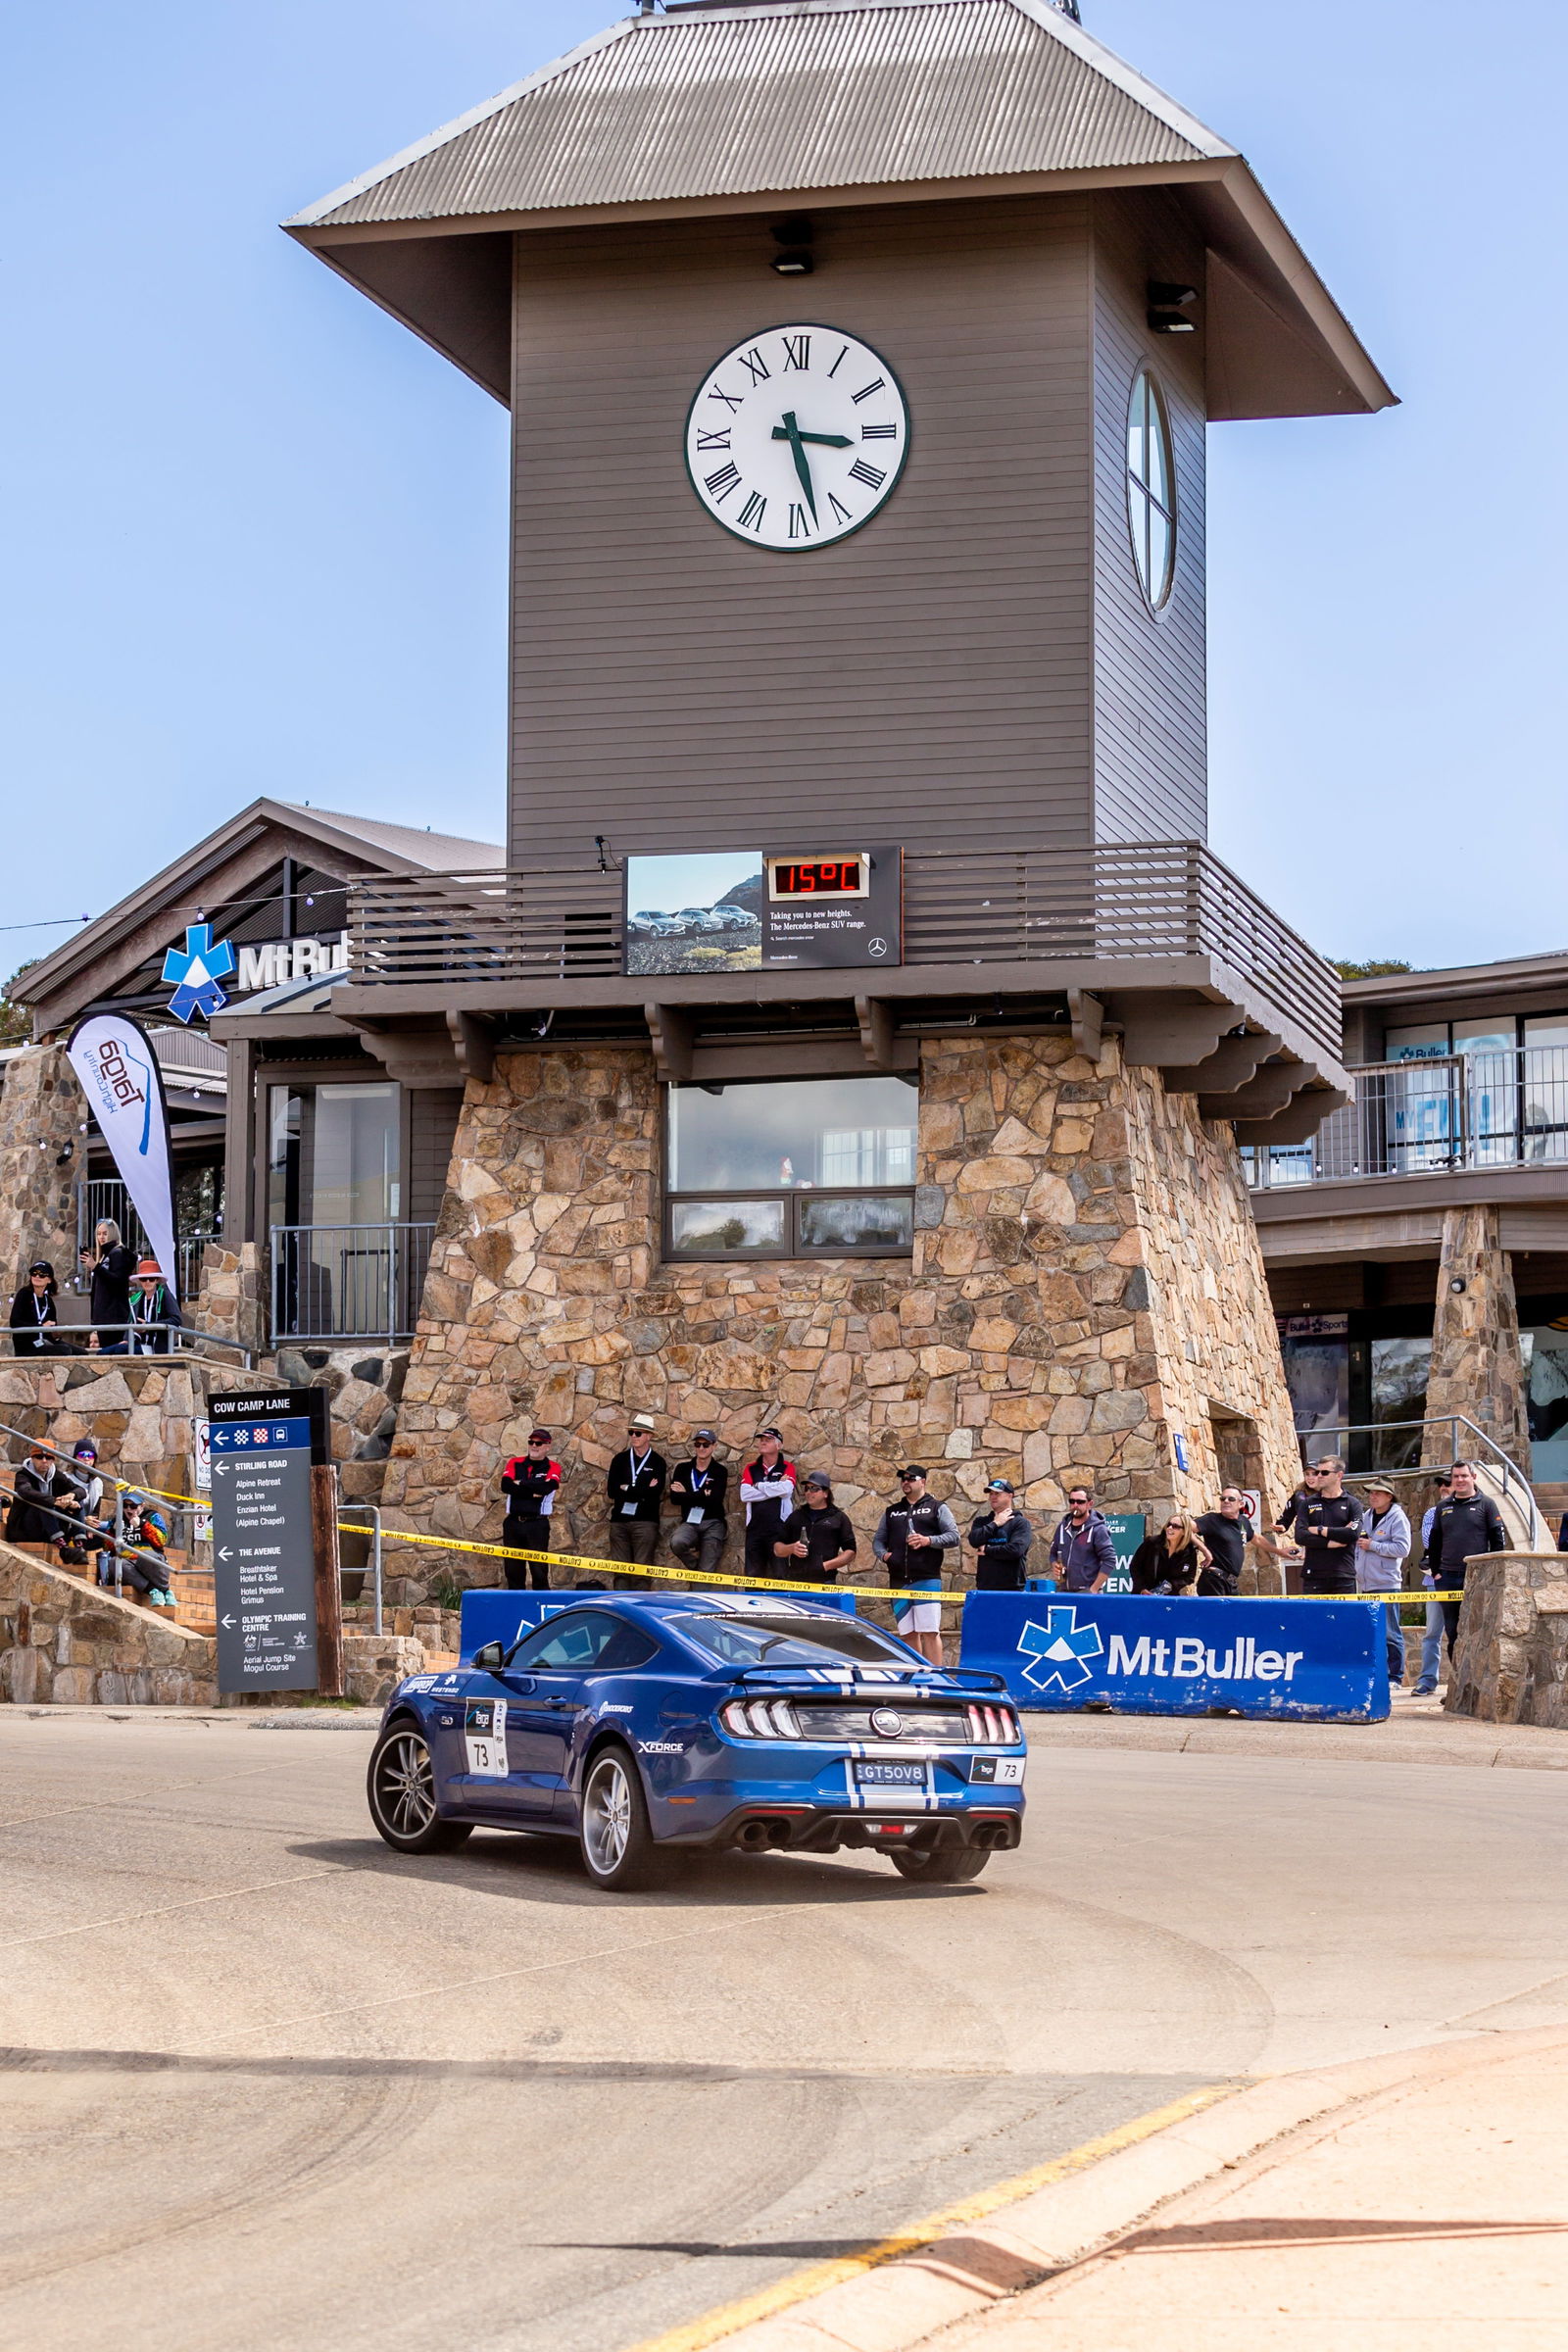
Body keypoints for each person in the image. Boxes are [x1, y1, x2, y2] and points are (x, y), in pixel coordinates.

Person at [873, 1466, 960, 1666]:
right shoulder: (892, 1511)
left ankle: (937, 1677)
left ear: (923, 1482)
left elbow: (954, 1536)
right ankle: (916, 1676)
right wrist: (884, 1556)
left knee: (930, 1632)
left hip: (926, 1579)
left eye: (911, 1478)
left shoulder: (937, 1507)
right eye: (903, 1479)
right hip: (898, 1581)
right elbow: (878, 1540)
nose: (905, 1482)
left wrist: (928, 1540)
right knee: (908, 1634)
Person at [1424, 1460, 1507, 1663]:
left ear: (1473, 1477)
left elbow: (1497, 1541)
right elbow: (1434, 1542)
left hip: (1477, 1576)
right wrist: (1436, 1572)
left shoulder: (1487, 1504)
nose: (1460, 1480)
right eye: (1456, 1476)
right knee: (1453, 1631)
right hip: (1447, 1578)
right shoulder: (1442, 1507)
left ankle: (1477, 1674)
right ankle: (1457, 1677)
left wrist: (1491, 1572)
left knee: (1478, 1628)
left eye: (1464, 1476)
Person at [1358, 1477, 1412, 1688]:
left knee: (1390, 1632)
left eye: (1377, 1493)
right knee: (1371, 1632)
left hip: (1387, 1583)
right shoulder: (1366, 1516)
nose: (1372, 1496)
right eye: (1371, 1492)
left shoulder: (1398, 1517)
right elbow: (1358, 1544)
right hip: (1365, 1584)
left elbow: (1403, 1549)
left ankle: (1395, 1677)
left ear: (1389, 1497)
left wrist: (1374, 1545)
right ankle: (1377, 1674)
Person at [606, 1420, 666, 1586]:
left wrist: (627, 1488)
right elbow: (612, 1491)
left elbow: (655, 1493)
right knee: (620, 1572)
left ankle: (640, 1601)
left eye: (638, 1433)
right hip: (619, 1520)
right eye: (631, 1432)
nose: (633, 1436)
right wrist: (643, 1489)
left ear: (649, 1436)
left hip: (645, 1521)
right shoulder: (620, 1459)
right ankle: (621, 1602)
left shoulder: (658, 1462)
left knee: (642, 1572)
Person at [499, 1429, 563, 1590]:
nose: (534, 1446)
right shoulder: (515, 1462)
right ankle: (516, 1603)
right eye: (531, 1442)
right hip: (513, 1523)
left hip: (537, 1524)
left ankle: (540, 1603)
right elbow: (506, 1486)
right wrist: (531, 1492)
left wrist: (520, 1483)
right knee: (513, 1571)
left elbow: (547, 1488)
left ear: (547, 1446)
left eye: (538, 1443)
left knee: (539, 1571)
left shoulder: (553, 1466)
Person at [1411, 1471, 1454, 1695]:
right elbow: (1430, 1541)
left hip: (1462, 1579)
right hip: (1434, 1581)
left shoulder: (1476, 1508)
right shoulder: (1432, 1513)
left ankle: (1460, 1683)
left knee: (1461, 1634)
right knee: (1432, 1634)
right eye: (1441, 1484)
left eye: (1448, 1483)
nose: (1444, 1487)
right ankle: (1427, 1681)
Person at [1294, 1456, 1363, 1595]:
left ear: (1339, 1475)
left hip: (1343, 1575)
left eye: (1324, 1473)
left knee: (1345, 1612)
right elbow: (1300, 1536)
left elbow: (1352, 1534)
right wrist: (1330, 1543)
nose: (1319, 1476)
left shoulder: (1352, 1503)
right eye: (1317, 1472)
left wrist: (1320, 1530)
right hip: (1314, 1576)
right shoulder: (1307, 1503)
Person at [667, 1429, 730, 1582]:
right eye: (697, 1444)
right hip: (690, 1521)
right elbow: (675, 1498)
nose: (701, 1448)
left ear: (714, 1446)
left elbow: (715, 1499)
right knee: (677, 1542)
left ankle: (702, 1575)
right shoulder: (682, 1469)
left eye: (706, 1444)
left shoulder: (720, 1471)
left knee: (706, 1573)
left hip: (713, 1522)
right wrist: (703, 1494)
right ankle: (695, 1566)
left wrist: (686, 1493)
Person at [773, 1473, 858, 1583]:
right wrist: (792, 1548)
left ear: (826, 1493)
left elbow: (851, 1552)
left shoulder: (838, 1518)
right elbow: (777, 1549)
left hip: (825, 1582)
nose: (809, 1492)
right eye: (807, 1488)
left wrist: (825, 1566)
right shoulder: (796, 1516)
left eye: (814, 1488)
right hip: (795, 1582)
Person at [739, 1428, 797, 1581]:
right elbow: (745, 1494)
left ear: (779, 1445)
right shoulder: (751, 1468)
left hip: (779, 1529)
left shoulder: (787, 1467)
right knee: (752, 1577)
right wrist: (775, 1488)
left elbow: (786, 1490)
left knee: (780, 1575)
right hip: (754, 1529)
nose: (763, 1442)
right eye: (761, 1439)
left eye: (768, 1440)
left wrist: (759, 1486)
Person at [110, 1492, 177, 1607]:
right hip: (129, 1561)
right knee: (114, 1562)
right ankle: (153, 1591)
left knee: (146, 1555)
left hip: (151, 1558)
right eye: (125, 1505)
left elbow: (161, 1540)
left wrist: (142, 1525)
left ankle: (166, 1591)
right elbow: (108, 1547)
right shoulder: (118, 1520)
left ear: (142, 1506)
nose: (128, 1509)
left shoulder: (152, 1516)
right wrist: (113, 1531)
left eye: (133, 1506)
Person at [54, 1439, 109, 1572]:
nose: (86, 1459)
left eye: (90, 1455)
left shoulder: (98, 1482)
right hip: (69, 1524)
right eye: (82, 1455)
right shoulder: (66, 1478)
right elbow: (62, 1508)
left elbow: (96, 1511)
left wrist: (90, 1525)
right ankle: (76, 1550)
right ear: (75, 1458)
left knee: (115, 1529)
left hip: (87, 1526)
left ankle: (108, 1570)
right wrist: (84, 1521)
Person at [966, 1480, 1034, 1590]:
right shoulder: (981, 1522)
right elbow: (974, 1540)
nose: (993, 1497)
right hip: (984, 1587)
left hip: (1012, 1589)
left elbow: (1015, 1550)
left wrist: (986, 1550)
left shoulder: (1021, 1523)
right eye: (991, 1494)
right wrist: (995, 1523)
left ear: (1010, 1496)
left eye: (997, 1493)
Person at [80, 1219, 134, 1352]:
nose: (101, 1237)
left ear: (113, 1233)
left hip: (114, 1316)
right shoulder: (106, 1255)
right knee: (107, 1352)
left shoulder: (117, 1253)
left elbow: (118, 1280)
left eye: (105, 1233)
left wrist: (96, 1267)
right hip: (104, 1316)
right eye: (99, 1234)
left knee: (111, 1352)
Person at [1049, 1486, 1116, 1592]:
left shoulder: (1098, 1529)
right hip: (1064, 1591)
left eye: (1080, 1502)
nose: (1075, 1505)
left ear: (1090, 1504)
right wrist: (1055, 1566)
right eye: (1072, 1501)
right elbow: (1053, 1554)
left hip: (1087, 1592)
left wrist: (1094, 1589)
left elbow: (1110, 1559)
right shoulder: (1062, 1528)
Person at [1195, 1487, 1255, 1596]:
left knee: (1236, 1608)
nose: (1226, 1501)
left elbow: (1257, 1538)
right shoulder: (1211, 1519)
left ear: (1241, 1504)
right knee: (1217, 1608)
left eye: (1231, 1499)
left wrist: (1279, 1551)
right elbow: (1183, 1528)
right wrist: (1204, 1550)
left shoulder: (1243, 1522)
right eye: (1223, 1499)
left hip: (1230, 1582)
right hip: (1214, 1580)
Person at [1129, 1512, 1208, 1594]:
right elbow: (1135, 1566)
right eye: (1169, 1524)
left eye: (1175, 1526)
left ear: (1184, 1531)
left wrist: (1170, 1586)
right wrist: (1142, 1588)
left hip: (1169, 1597)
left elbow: (1189, 1577)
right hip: (1143, 1595)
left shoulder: (1189, 1551)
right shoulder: (1152, 1543)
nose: (1170, 1528)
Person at [5, 1444, 68, 1546]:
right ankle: (59, 1541)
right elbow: (25, 1491)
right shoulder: (23, 1475)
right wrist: (54, 1501)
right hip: (23, 1529)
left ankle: (79, 1541)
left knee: (76, 1504)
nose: (44, 1461)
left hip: (46, 1529)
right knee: (42, 1502)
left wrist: (71, 1495)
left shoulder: (57, 1476)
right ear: (32, 1458)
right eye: (39, 1457)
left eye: (48, 1457)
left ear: (53, 1460)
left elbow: (79, 1490)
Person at [126, 1258, 182, 1354]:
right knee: (107, 1351)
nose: (147, 1282)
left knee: (117, 1351)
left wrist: (149, 1325)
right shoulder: (135, 1299)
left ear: (157, 1280)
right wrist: (126, 1339)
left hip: (157, 1347)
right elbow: (130, 1322)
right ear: (140, 1281)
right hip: (138, 1344)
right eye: (144, 1279)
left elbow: (176, 1319)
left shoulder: (165, 1295)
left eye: (151, 1279)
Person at [9, 1261, 62, 1356]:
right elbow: (14, 1322)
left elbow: (52, 1326)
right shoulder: (24, 1294)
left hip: (44, 1342)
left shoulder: (48, 1300)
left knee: (80, 1351)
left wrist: (55, 1334)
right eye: (34, 1273)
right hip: (27, 1346)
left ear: (49, 1280)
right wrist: (41, 1326)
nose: (37, 1276)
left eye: (42, 1274)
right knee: (65, 1350)